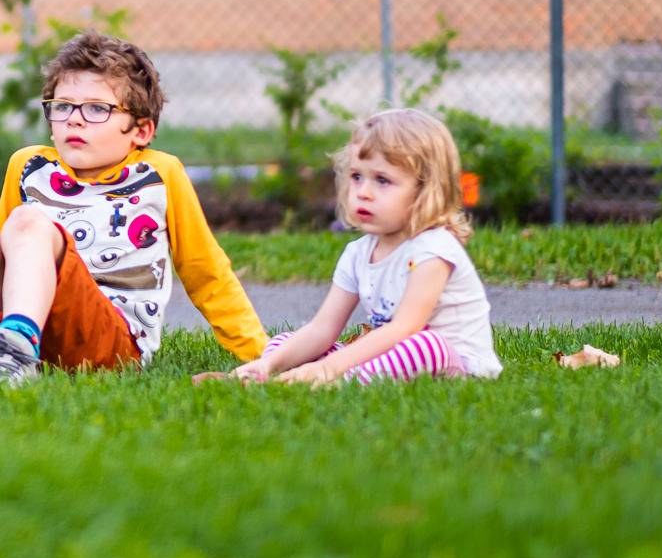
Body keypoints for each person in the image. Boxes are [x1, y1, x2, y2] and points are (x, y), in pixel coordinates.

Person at [0, 31, 267, 385]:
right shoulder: (27, 165)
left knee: (28, 223)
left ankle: (18, 348)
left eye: (96, 108)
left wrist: (263, 357)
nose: (74, 119)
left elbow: (205, 271)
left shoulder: (160, 174)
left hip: (107, 346)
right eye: (62, 107)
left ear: (141, 130)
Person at [201, 107, 500, 386]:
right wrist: (269, 363)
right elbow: (323, 328)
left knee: (426, 344)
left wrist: (327, 368)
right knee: (283, 343)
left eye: (383, 180)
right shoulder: (358, 253)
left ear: (425, 190)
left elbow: (404, 329)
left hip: (454, 362)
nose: (363, 192)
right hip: (393, 355)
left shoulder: (433, 249)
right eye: (357, 176)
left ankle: (338, 380)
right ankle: (263, 377)